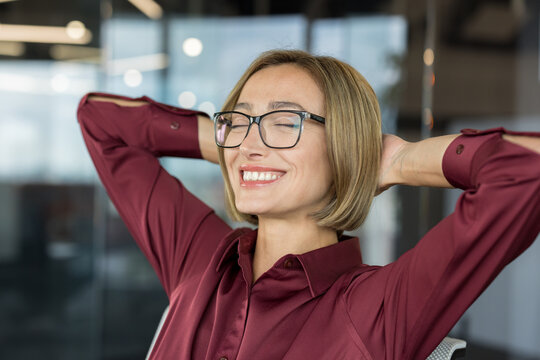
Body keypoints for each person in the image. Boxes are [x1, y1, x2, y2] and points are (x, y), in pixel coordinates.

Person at [77, 49, 540, 360]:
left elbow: (525, 172)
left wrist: (399, 160)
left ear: (343, 143)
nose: (252, 142)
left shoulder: (377, 308)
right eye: (240, 119)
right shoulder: (200, 260)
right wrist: (230, 143)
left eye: (284, 121)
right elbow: (101, 121)